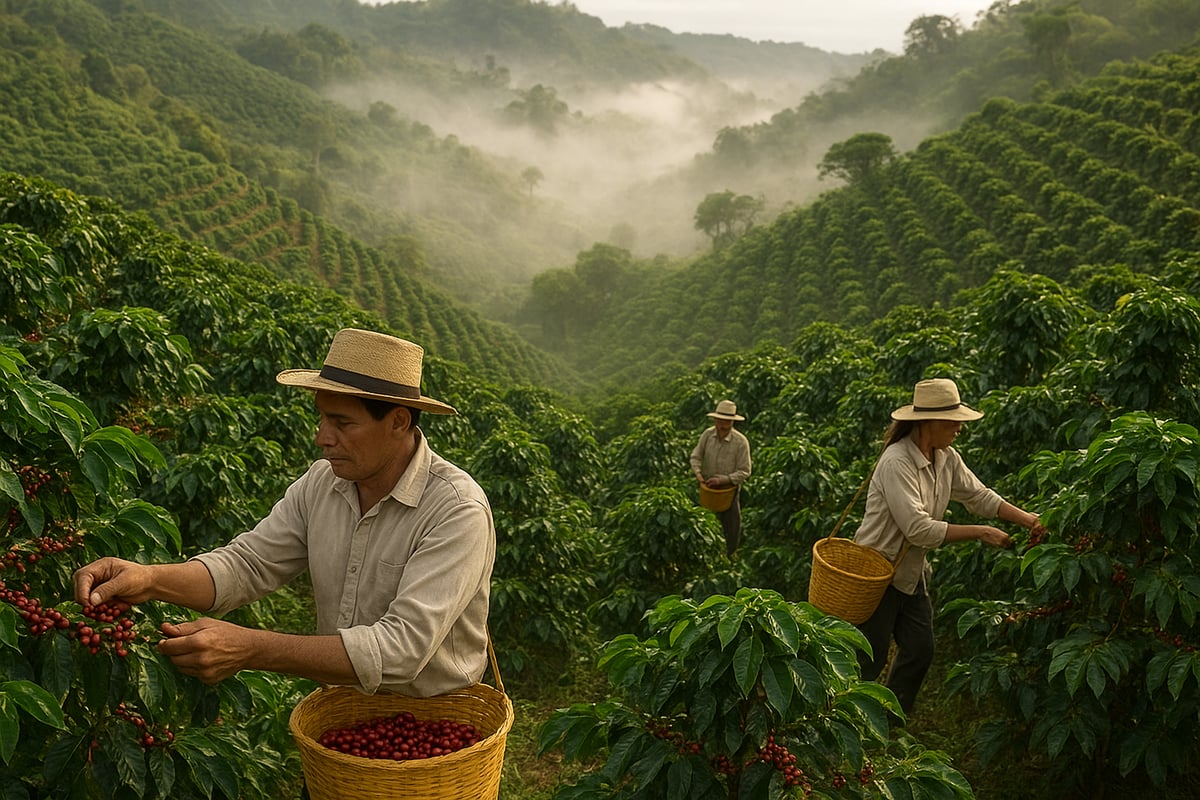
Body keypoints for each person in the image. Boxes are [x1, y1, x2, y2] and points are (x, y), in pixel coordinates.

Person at [73, 328, 496, 698]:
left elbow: (400, 650)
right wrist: (150, 578)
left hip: (435, 731)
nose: (321, 438)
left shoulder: (456, 511)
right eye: (321, 418)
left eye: (342, 423)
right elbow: (248, 565)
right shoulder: (322, 484)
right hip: (338, 720)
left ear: (399, 421)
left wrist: (252, 647)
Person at [852, 377, 1044, 715]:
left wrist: (1028, 519)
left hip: (910, 573)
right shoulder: (897, 462)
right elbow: (918, 529)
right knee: (870, 656)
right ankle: (849, 722)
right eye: (952, 422)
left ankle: (888, 722)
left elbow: (978, 495)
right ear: (928, 422)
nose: (958, 428)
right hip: (876, 572)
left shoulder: (946, 457)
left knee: (920, 649)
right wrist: (982, 533)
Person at [690, 399, 752, 557]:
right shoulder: (707, 435)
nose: (721, 425)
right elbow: (696, 456)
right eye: (719, 421)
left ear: (732, 421)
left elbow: (745, 470)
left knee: (732, 526)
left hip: (728, 491)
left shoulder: (740, 442)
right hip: (707, 489)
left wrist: (723, 480)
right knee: (704, 523)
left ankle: (729, 555)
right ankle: (705, 554)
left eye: (726, 421)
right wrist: (698, 474)